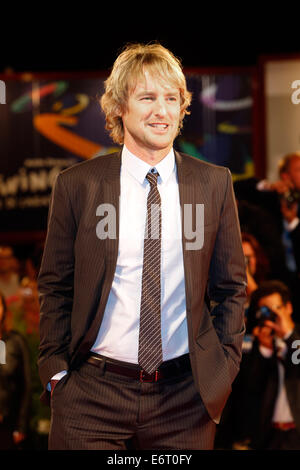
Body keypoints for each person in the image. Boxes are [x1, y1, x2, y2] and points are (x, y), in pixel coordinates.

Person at [38, 42, 247, 450]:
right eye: (147, 97)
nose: (162, 111)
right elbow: (55, 285)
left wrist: (222, 370)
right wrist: (56, 370)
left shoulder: (214, 184)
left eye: (172, 98)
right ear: (119, 106)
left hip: (185, 401)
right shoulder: (77, 185)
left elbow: (231, 290)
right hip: (90, 398)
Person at [240, 280, 300, 449]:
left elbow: (297, 362)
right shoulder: (262, 345)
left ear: (289, 308)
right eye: (266, 311)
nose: (272, 316)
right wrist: (265, 351)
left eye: (277, 309)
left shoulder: (297, 339)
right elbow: (252, 388)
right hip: (270, 436)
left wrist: (289, 335)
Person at [0, 291, 31, 449]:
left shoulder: (15, 341)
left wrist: (22, 425)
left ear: (4, 309)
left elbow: (26, 386)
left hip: (8, 423)